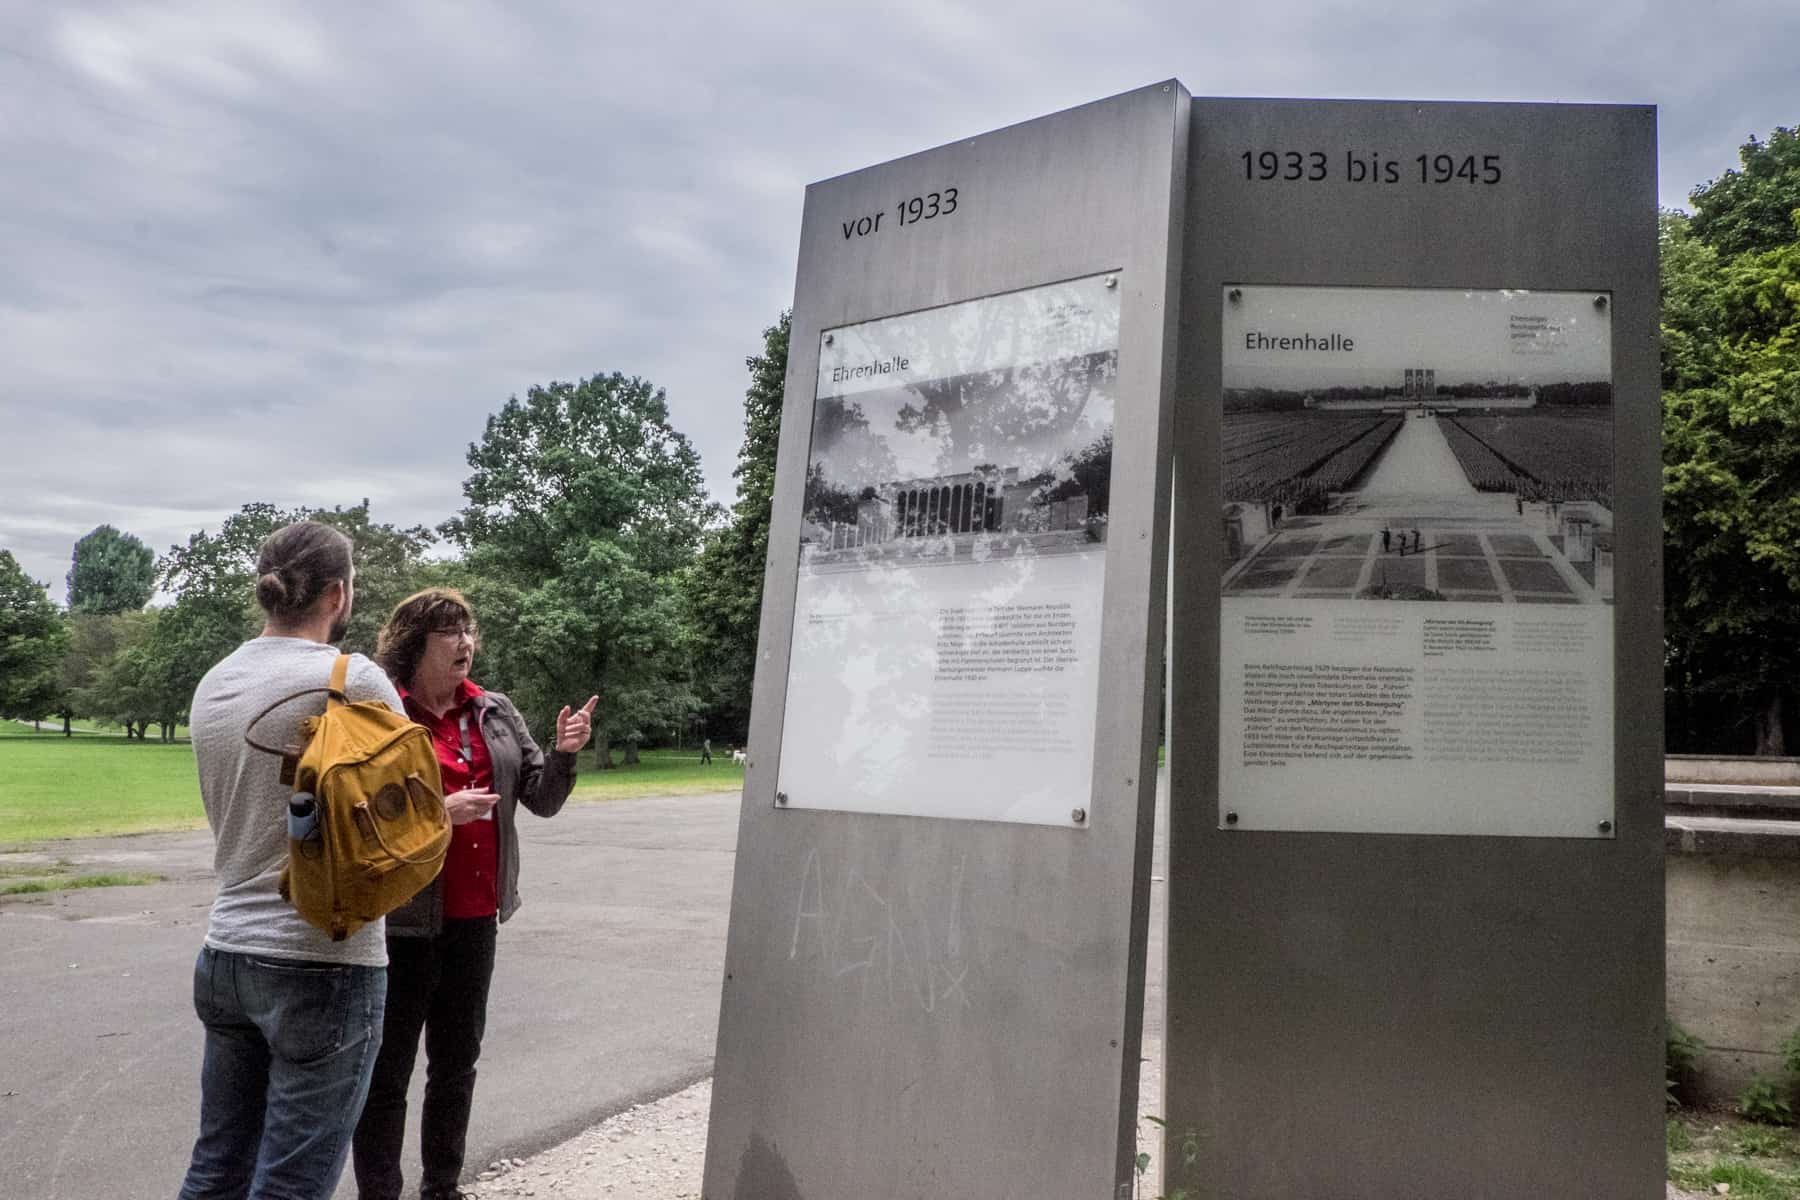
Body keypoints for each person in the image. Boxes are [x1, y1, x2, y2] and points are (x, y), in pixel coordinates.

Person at [179, 521, 400, 1200]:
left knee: (218, 1167)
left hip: (227, 953)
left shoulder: (217, 681)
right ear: (338, 593)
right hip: (321, 959)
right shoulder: (350, 679)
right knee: (291, 1185)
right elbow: (408, 810)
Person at [352, 588, 596, 1200]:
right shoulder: (385, 714)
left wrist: (565, 754)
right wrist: (440, 811)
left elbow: (539, 799)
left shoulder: (494, 709)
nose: (466, 642)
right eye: (451, 632)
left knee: (456, 1065)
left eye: (470, 630)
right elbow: (360, 814)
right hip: (402, 922)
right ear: (415, 644)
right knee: (388, 1075)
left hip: (474, 919)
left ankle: (443, 1187)